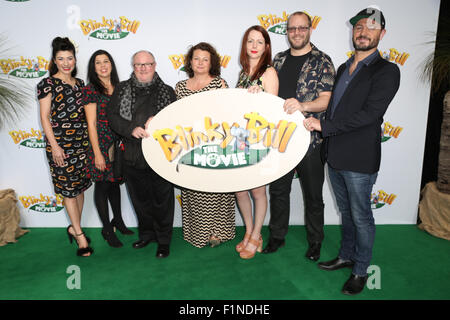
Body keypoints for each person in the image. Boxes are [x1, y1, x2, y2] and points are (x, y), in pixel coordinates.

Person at [306, 8, 400, 295]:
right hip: (335, 155)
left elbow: (370, 115)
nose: (363, 31)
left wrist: (324, 126)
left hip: (359, 158)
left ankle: (361, 270)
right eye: (359, 26)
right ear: (353, 32)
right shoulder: (346, 65)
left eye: (371, 27)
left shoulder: (387, 70)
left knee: (361, 217)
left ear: (381, 34)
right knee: (346, 212)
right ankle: (346, 256)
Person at [262, 12, 335, 262]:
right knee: (278, 192)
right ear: (287, 32)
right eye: (292, 28)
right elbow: (266, 95)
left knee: (314, 196)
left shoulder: (323, 61)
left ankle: (315, 242)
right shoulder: (278, 60)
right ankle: (277, 236)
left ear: (310, 30)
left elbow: (325, 100)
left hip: (310, 141)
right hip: (280, 139)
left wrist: (302, 105)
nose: (296, 32)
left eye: (301, 28)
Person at [107, 50, 176, 258]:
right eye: (139, 64)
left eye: (147, 64)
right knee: (140, 199)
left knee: (163, 200)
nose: (143, 68)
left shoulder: (168, 91)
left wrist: (159, 121)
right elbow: (112, 116)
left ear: (155, 65)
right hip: (132, 154)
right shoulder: (121, 89)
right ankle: (147, 234)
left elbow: (176, 120)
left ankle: (163, 240)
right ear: (133, 66)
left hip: (161, 155)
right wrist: (131, 129)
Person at [175, 42, 236, 248]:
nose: (200, 63)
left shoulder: (220, 84)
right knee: (195, 189)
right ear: (190, 62)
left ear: (212, 63)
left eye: (205, 59)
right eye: (196, 58)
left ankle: (218, 232)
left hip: (216, 145)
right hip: (190, 145)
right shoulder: (180, 87)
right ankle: (197, 232)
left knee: (217, 189)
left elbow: (228, 115)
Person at [37, 37, 93, 257]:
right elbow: (44, 118)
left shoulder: (80, 84)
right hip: (59, 145)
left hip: (81, 144)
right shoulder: (47, 84)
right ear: (54, 60)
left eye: (70, 58)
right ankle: (80, 236)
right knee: (69, 191)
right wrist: (55, 147)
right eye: (61, 58)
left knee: (79, 188)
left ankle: (73, 227)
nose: (66, 62)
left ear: (75, 59)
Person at [235, 26, 278, 259]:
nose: (254, 45)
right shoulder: (243, 73)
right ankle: (250, 231)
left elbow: (272, 113)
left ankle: (257, 234)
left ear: (266, 46)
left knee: (257, 190)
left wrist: (259, 98)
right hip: (240, 139)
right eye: (250, 41)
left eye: (259, 42)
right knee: (240, 191)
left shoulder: (268, 72)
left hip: (259, 139)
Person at [83, 49, 134, 248]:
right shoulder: (90, 90)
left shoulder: (120, 87)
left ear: (111, 64)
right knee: (103, 185)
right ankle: (106, 228)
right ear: (93, 67)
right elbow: (92, 124)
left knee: (115, 182)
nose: (103, 65)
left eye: (106, 61)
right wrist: (97, 153)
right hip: (100, 145)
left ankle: (118, 220)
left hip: (118, 143)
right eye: (98, 62)